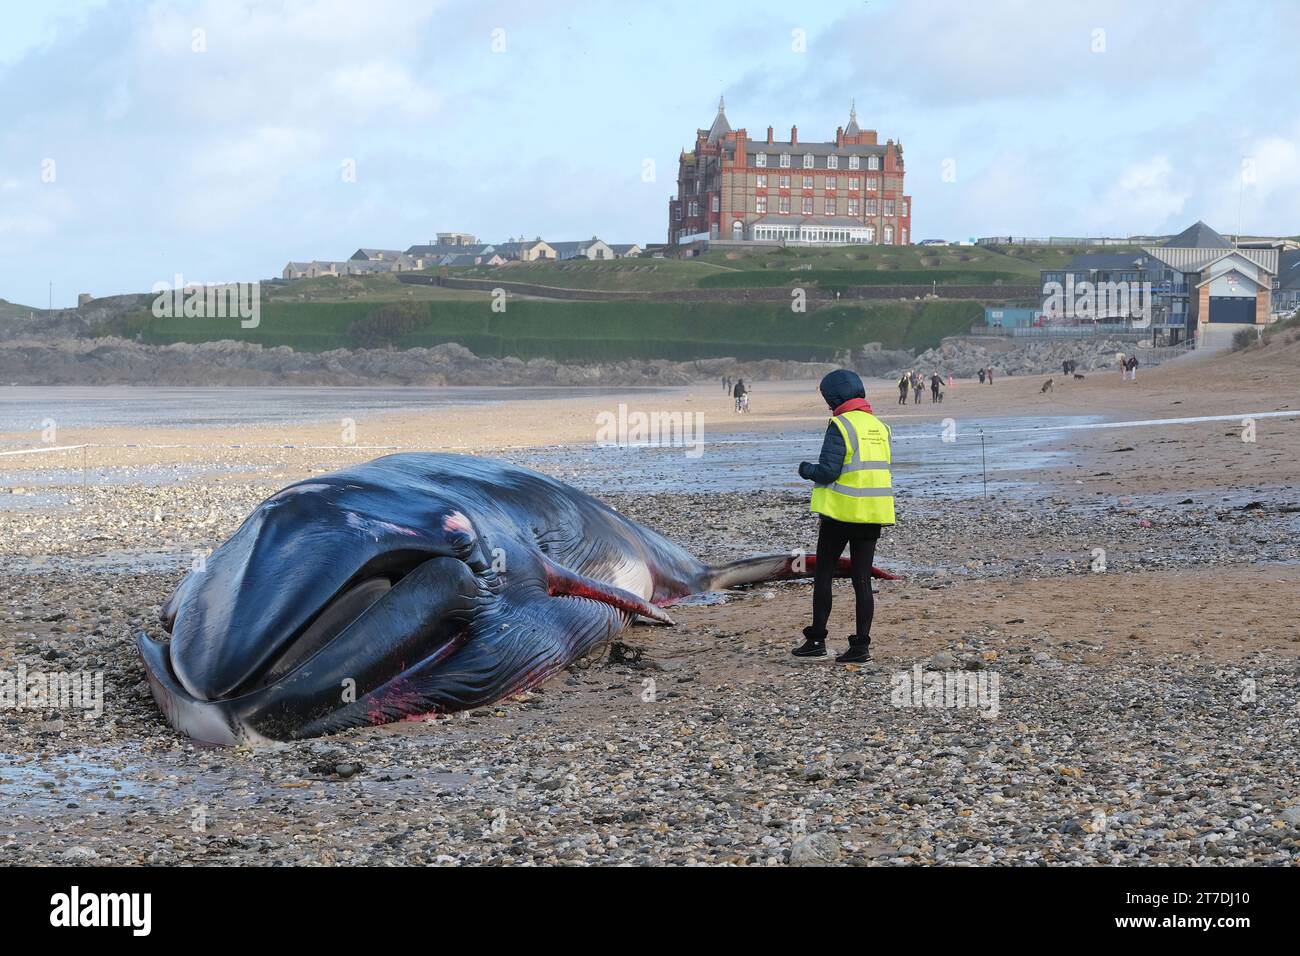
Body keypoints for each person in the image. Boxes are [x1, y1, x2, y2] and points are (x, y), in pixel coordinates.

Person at [794, 369, 893, 663]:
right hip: (874, 513)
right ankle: (861, 647)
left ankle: (816, 641)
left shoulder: (840, 424)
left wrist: (805, 469)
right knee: (862, 579)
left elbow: (828, 471)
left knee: (824, 573)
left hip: (841, 513)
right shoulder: (880, 426)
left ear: (833, 397)